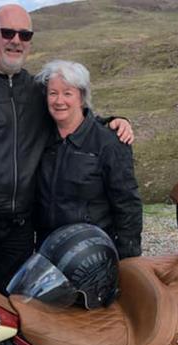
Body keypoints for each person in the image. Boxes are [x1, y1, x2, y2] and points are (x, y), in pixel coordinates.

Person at [0, 3, 133, 293]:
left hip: (21, 228)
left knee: (15, 302)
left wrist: (112, 122)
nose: (16, 41)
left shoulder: (36, 90)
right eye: (7, 33)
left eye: (24, 35)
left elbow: (69, 111)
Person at [34, 60, 142, 259]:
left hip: (91, 251)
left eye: (67, 93)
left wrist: (128, 259)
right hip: (47, 251)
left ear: (82, 97)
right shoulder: (40, 137)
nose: (59, 101)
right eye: (53, 93)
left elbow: (127, 204)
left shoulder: (109, 142)